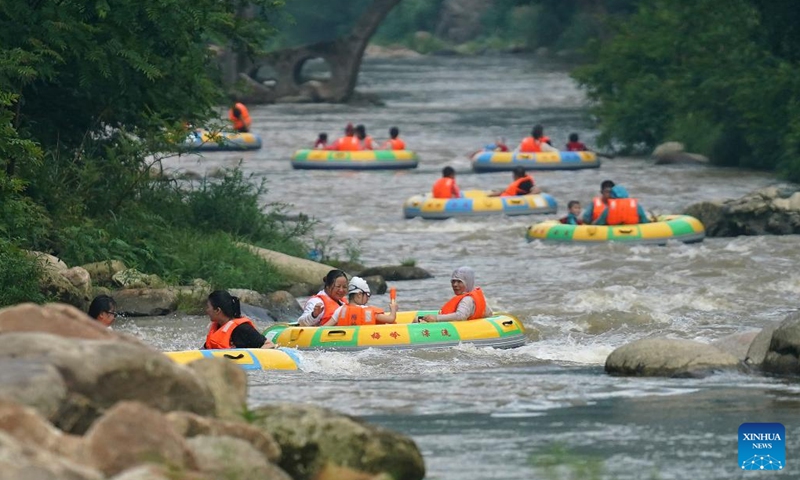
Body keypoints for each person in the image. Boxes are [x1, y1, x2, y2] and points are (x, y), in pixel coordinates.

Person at [203, 290, 275, 349]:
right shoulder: (218, 327)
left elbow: (269, 345)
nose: (206, 310)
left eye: (208, 307)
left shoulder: (242, 328)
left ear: (217, 310)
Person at [420, 267, 493, 323]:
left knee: (416, 320)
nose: (455, 285)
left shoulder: (468, 299)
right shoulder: (475, 295)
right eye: (453, 281)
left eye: (459, 282)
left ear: (468, 282)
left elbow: (460, 316)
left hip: (464, 329)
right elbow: (489, 313)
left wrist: (436, 318)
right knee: (418, 319)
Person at [324, 277, 397, 326]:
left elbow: (324, 327)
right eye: (367, 295)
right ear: (359, 294)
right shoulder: (369, 312)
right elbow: (391, 319)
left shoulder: (340, 310)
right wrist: (393, 309)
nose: (368, 298)